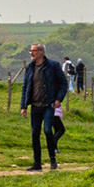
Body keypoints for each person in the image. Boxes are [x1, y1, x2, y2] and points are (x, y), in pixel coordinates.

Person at [18, 43, 69, 171]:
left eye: (33, 51)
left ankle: (52, 159)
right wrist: (23, 106)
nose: (31, 53)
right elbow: (25, 87)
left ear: (41, 52)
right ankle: (37, 163)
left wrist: (59, 99)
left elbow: (63, 83)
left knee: (47, 130)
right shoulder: (30, 67)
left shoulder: (53, 66)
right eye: (30, 51)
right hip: (35, 106)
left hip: (48, 105)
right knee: (35, 133)